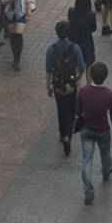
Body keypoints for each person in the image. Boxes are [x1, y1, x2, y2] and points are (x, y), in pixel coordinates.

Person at [75, 62, 112, 207]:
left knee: (87, 160)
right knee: (105, 154)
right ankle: (106, 172)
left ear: (91, 75)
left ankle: (88, 191)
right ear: (105, 77)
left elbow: (78, 111)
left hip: (87, 129)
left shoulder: (83, 92)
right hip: (103, 131)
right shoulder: (109, 94)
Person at [45, 20, 86, 154]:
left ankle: (63, 134)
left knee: (61, 110)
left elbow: (48, 70)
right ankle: (68, 134)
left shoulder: (51, 49)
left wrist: (48, 86)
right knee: (71, 111)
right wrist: (77, 79)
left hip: (58, 86)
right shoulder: (75, 48)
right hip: (71, 86)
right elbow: (82, 68)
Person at [68, 0, 99, 68]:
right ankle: (89, 80)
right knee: (88, 65)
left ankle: (77, 80)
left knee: (76, 66)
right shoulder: (91, 15)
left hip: (74, 41)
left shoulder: (71, 12)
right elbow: (93, 28)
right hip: (87, 42)